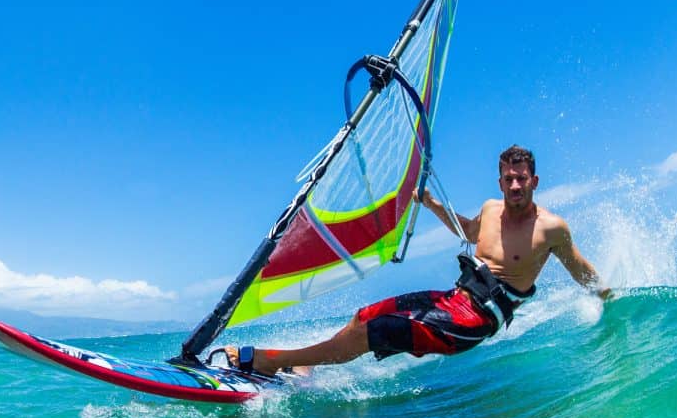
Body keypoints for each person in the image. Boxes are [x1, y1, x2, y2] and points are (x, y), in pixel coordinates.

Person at [222, 145, 612, 376]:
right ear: (499, 182)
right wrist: (431, 204)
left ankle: (273, 362)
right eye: (508, 178)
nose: (514, 185)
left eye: (521, 178)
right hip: (452, 300)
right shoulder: (491, 209)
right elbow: (469, 233)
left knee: (373, 333)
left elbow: (581, 270)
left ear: (534, 181)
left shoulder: (550, 229)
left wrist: (610, 296)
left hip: (474, 322)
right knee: (362, 316)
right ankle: (305, 365)